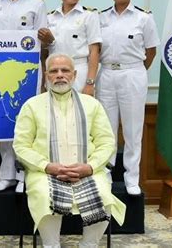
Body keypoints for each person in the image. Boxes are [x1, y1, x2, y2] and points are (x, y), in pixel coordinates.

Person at [13, 53, 125, 248]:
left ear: (74, 75)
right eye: (54, 71)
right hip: (45, 172)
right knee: (44, 195)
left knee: (104, 196)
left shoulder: (92, 104)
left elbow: (107, 142)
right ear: (47, 76)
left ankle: (89, 244)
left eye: (65, 71)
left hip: (86, 169)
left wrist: (89, 167)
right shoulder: (32, 106)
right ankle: (51, 244)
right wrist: (47, 166)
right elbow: (21, 145)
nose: (60, 75)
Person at [96, 0, 160, 195]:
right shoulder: (100, 17)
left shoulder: (144, 18)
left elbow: (151, 51)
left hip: (133, 73)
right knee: (106, 129)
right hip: (107, 74)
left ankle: (131, 178)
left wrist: (135, 70)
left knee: (133, 130)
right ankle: (105, 174)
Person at [0, 0, 47, 193]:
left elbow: (45, 43)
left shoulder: (37, 3)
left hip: (28, 71)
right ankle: (7, 175)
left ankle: (26, 175)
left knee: (27, 123)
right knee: (5, 119)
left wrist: (43, 76)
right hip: (2, 70)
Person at [37, 0, 101, 96]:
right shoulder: (49, 17)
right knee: (55, 112)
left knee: (79, 111)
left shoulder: (89, 15)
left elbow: (94, 51)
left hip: (79, 70)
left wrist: (90, 83)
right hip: (54, 71)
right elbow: (43, 52)